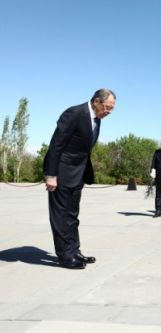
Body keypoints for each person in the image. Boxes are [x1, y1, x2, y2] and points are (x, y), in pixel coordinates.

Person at [44, 88, 116, 269]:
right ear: (97, 101)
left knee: (72, 215)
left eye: (112, 109)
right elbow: (56, 144)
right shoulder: (74, 113)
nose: (109, 112)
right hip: (61, 173)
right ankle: (65, 256)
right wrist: (51, 175)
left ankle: (74, 250)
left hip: (78, 174)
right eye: (108, 107)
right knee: (60, 216)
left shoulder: (97, 120)